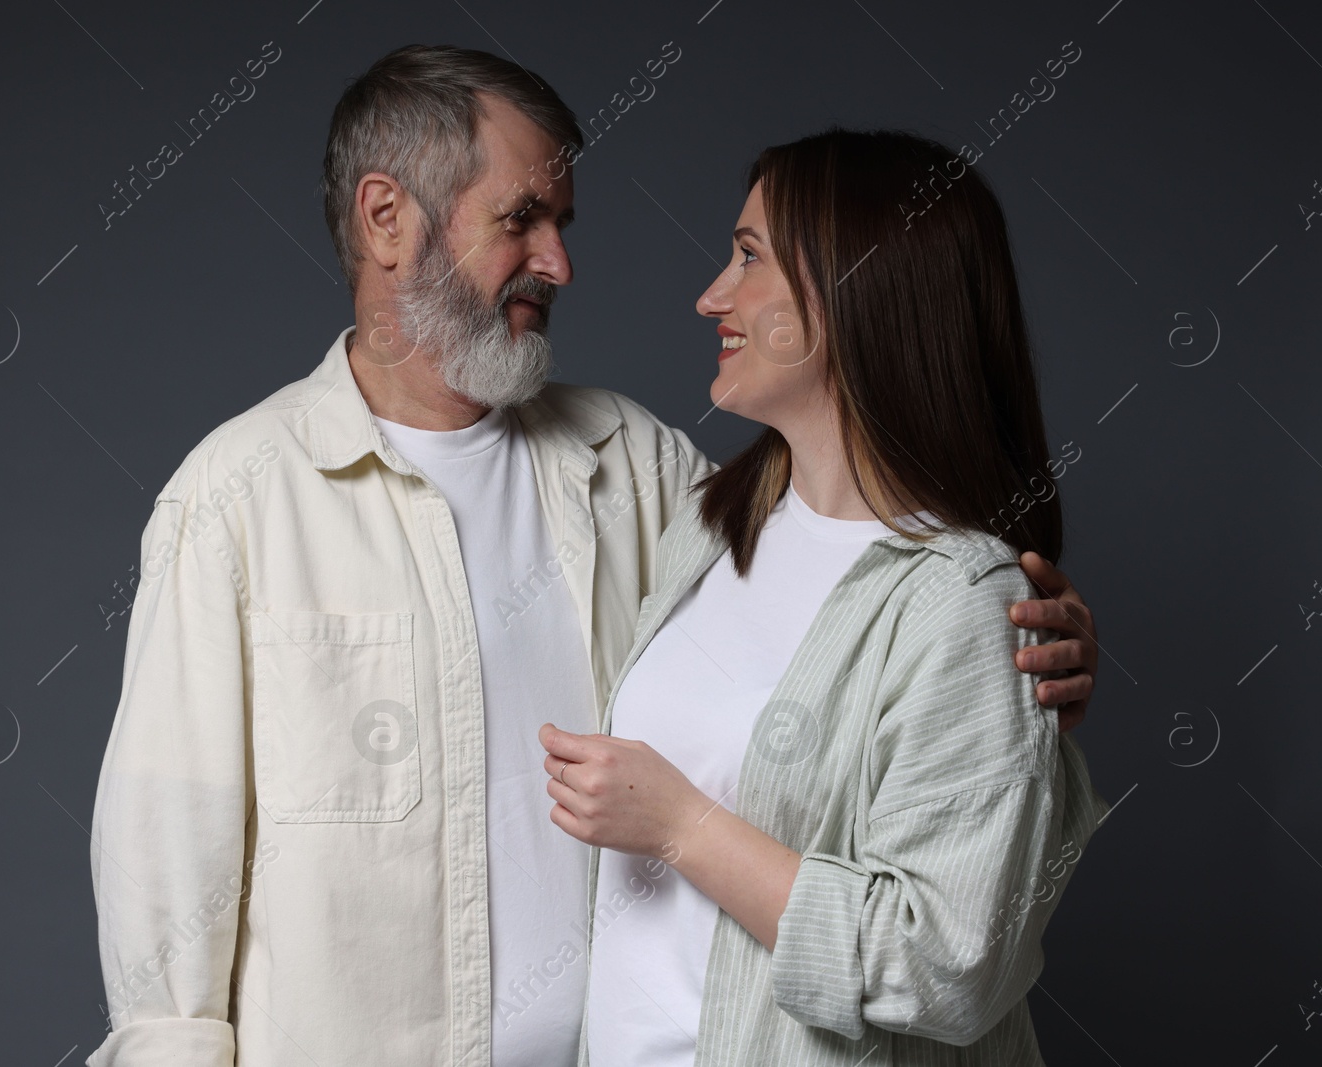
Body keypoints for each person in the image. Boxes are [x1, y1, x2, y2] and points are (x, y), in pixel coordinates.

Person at [85, 47, 1103, 1067]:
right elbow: (167, 866)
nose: (559, 263)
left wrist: (1022, 666)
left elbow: (843, 628)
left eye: (562, 223)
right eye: (520, 218)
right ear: (386, 217)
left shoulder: (645, 467)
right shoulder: (236, 499)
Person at [539, 128, 1108, 1066]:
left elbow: (944, 967)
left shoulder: (965, 603)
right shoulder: (707, 529)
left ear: (859, 291)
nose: (711, 295)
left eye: (749, 257)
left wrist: (682, 825)